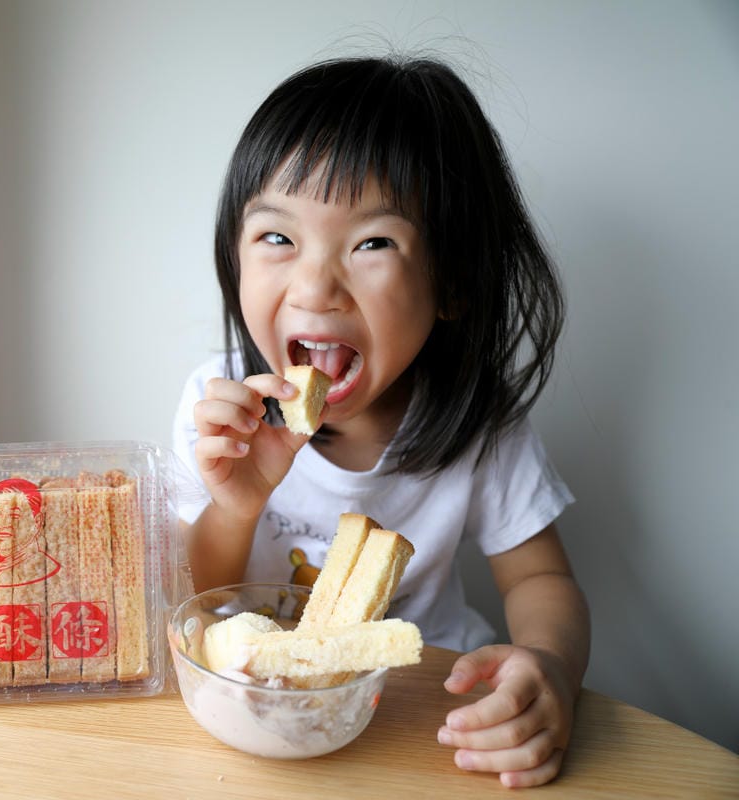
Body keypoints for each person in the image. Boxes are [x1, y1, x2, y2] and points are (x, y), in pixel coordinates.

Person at [172, 56, 590, 788]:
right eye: (277, 237)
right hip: (257, 717)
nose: (314, 285)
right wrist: (236, 504)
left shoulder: (479, 426)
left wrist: (550, 667)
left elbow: (541, 577)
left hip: (427, 714)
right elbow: (191, 603)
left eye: (373, 243)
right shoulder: (218, 407)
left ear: (453, 282)